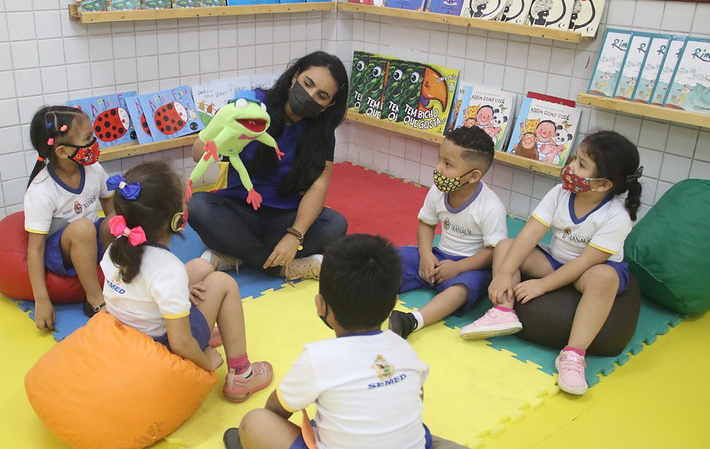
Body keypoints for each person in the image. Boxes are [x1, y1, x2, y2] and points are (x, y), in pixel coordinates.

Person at [224, 234, 432, 449]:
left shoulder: (318, 357)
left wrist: (271, 437)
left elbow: (277, 409)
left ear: (320, 305)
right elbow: (418, 395)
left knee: (255, 423)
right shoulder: (401, 346)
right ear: (393, 302)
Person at [460, 131, 643, 396]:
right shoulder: (559, 193)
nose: (570, 168)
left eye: (580, 165)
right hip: (555, 260)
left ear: (603, 184)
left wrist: (542, 286)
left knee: (604, 277)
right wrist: (503, 273)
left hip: (588, 271)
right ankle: (503, 311)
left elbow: (585, 263)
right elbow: (530, 233)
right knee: (506, 246)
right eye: (574, 159)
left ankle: (573, 355)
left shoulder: (616, 216)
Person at [100, 161, 273, 402]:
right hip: (162, 342)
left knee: (200, 267)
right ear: (176, 220)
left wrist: (178, 293)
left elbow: (141, 287)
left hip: (133, 325)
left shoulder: (115, 251)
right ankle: (242, 374)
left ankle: (206, 327)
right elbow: (180, 343)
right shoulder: (167, 269)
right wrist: (205, 362)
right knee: (224, 283)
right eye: (184, 200)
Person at [187, 51, 349, 281]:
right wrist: (223, 133)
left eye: (321, 95)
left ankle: (236, 255)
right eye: (307, 83)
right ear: (295, 76)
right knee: (198, 206)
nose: (310, 95)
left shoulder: (321, 132)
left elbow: (319, 186)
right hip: (237, 210)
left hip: (284, 219)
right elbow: (196, 154)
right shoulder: (253, 105)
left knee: (335, 225)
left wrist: (295, 235)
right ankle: (282, 267)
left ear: (328, 105)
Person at [389, 126, 507, 339]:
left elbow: (494, 251)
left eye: (448, 164)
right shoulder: (438, 191)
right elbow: (426, 224)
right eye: (439, 159)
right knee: (392, 256)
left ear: (473, 176)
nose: (438, 168)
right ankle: (372, 294)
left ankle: (412, 321)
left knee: (462, 289)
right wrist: (426, 255)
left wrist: (458, 267)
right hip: (437, 256)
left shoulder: (490, 206)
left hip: (471, 266)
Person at [24, 105, 114, 331]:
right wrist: (42, 300)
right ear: (62, 151)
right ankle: (94, 299)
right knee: (83, 227)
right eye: (88, 138)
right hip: (60, 252)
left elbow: (112, 210)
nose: (94, 143)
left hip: (90, 238)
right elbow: (35, 249)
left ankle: (119, 286)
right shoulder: (41, 191)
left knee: (117, 222)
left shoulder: (93, 169)